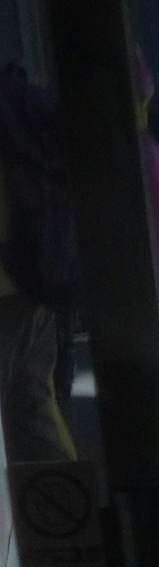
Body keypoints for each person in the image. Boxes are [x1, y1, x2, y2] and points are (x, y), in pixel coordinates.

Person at [0, 60, 77, 465]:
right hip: (35, 276)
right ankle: (70, 520)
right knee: (32, 414)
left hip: (6, 287)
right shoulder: (17, 94)